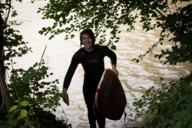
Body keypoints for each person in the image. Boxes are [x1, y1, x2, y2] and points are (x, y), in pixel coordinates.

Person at [62, 28, 118, 128]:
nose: (87, 41)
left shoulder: (101, 50)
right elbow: (70, 72)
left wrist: (114, 67)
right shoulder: (79, 55)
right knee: (90, 110)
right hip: (88, 86)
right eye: (84, 38)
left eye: (89, 38)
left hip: (102, 85)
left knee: (99, 110)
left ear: (93, 39)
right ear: (81, 41)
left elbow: (112, 54)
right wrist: (64, 90)